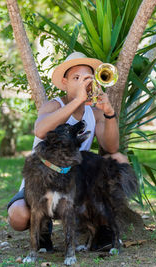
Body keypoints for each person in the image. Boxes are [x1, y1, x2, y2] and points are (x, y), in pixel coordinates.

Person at [7, 52, 128, 249]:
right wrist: (77, 100)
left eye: (87, 78)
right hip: (41, 184)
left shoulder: (94, 113)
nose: (83, 83)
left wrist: (108, 112)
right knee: (18, 216)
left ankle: (102, 230)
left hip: (74, 186)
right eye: (76, 78)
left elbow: (112, 147)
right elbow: (40, 129)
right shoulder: (54, 106)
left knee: (118, 159)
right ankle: (42, 228)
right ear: (64, 83)